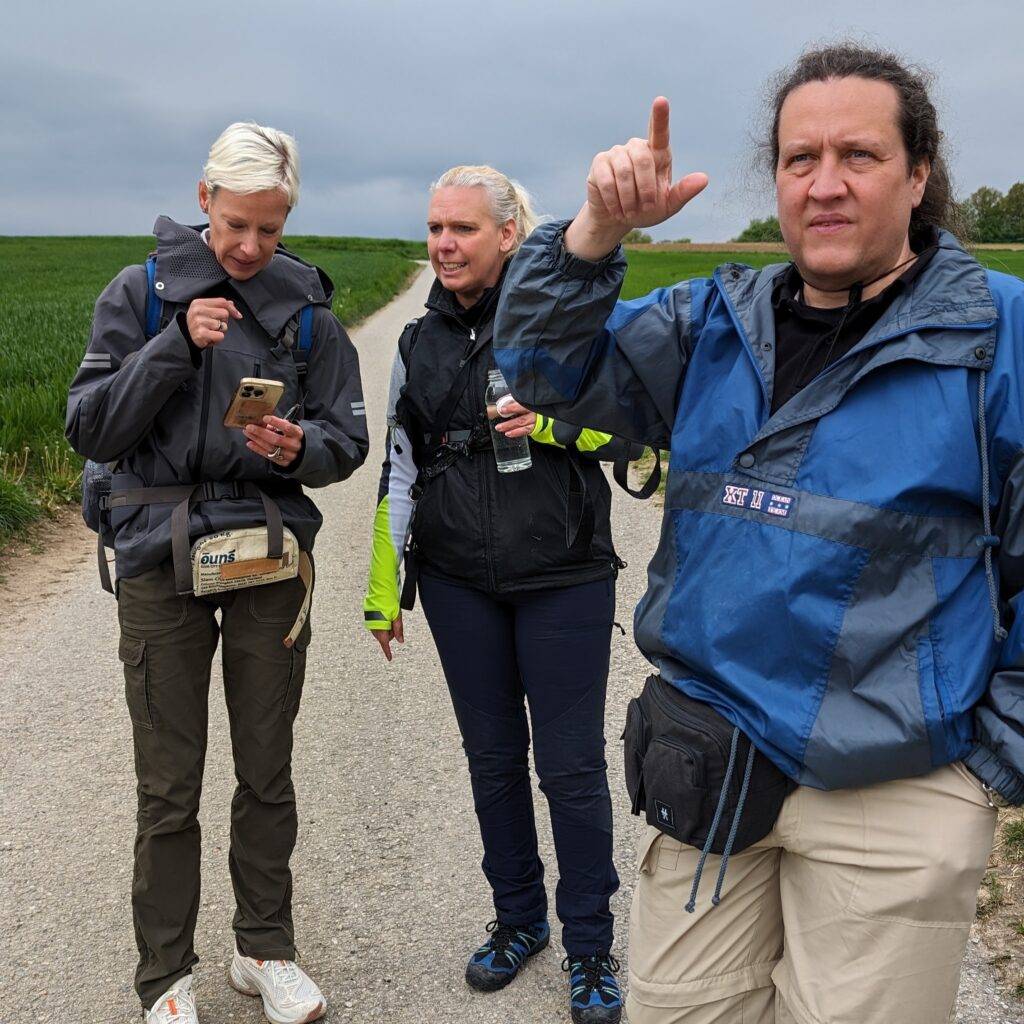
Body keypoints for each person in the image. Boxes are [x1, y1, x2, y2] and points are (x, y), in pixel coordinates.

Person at [494, 44, 1024, 1024]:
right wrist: (596, 232)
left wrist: (991, 763)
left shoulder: (1000, 335)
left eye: (857, 157)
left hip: (898, 785)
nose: (823, 185)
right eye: (797, 159)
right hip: (709, 763)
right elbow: (540, 373)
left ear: (918, 175)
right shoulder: (710, 323)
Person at [66, 122, 368, 1024]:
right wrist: (176, 349)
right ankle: (165, 980)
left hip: (268, 555)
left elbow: (345, 438)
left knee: (266, 768)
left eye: (269, 230)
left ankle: (264, 949)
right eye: (236, 224)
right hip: (160, 558)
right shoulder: (142, 296)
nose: (249, 247)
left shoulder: (307, 309)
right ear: (204, 201)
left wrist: (297, 446)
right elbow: (90, 428)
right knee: (169, 783)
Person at [364, 165, 648, 1024]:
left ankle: (591, 948)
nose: (443, 245)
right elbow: (399, 466)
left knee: (570, 770)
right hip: (458, 583)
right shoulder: (417, 344)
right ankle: (519, 920)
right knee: (492, 764)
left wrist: (554, 423)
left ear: (507, 236)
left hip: (562, 576)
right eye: (435, 228)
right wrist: (386, 593)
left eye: (461, 229)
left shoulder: (563, 328)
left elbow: (633, 433)